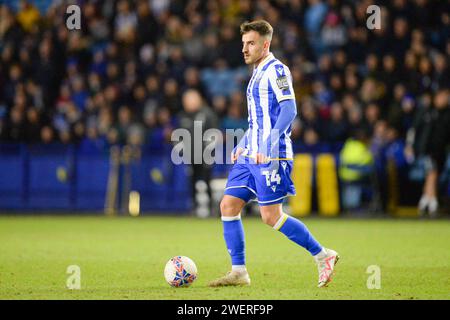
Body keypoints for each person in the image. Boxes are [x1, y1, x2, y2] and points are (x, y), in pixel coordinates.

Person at [208, 20, 339, 288]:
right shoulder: (256, 72)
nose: (244, 49)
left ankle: (323, 255)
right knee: (228, 205)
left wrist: (267, 146)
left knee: (271, 216)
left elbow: (289, 111)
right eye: (243, 43)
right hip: (251, 154)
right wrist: (243, 142)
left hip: (272, 155)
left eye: (251, 43)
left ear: (265, 44)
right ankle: (239, 272)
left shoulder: (276, 70)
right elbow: (258, 120)